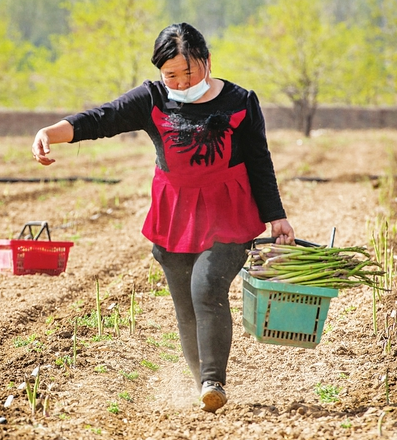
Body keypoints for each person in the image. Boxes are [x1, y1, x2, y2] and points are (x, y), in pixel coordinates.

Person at [31, 23, 295, 413]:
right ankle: (200, 382)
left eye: (189, 71)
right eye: (171, 74)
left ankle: (212, 380)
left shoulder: (240, 101)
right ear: (159, 72)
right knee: (185, 302)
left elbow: (259, 159)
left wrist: (276, 216)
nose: (182, 81)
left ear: (207, 62)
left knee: (207, 287)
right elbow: (102, 118)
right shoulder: (152, 98)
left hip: (228, 208)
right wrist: (48, 133)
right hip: (175, 210)